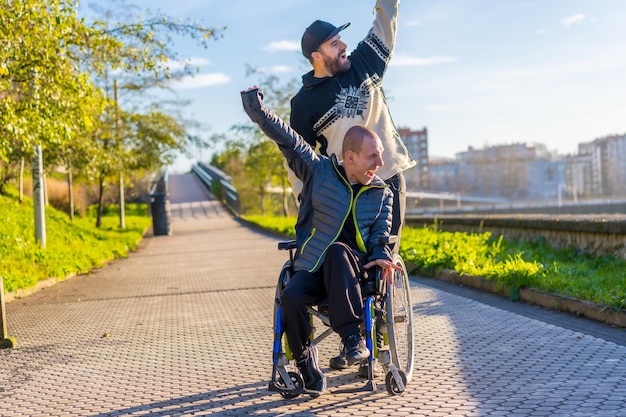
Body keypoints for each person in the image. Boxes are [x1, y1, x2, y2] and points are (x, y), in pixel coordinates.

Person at [241, 87, 401, 396]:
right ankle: (303, 362)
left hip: (356, 274)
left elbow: (382, 233)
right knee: (291, 296)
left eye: (380, 155)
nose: (380, 163)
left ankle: (353, 339)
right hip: (314, 267)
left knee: (339, 251)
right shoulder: (319, 172)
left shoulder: (383, 193)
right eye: (373, 156)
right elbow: (288, 140)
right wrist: (259, 114)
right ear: (350, 157)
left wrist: (382, 253)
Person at [290, 0, 414, 372]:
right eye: (333, 43)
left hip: (387, 179)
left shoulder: (362, 63)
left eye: (341, 38)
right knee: (340, 254)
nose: (342, 45)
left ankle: (373, 346)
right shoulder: (304, 103)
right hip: (341, 192)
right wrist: (308, 202)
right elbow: (298, 162)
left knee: (380, 259)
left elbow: (385, 25)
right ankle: (353, 336)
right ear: (316, 55)